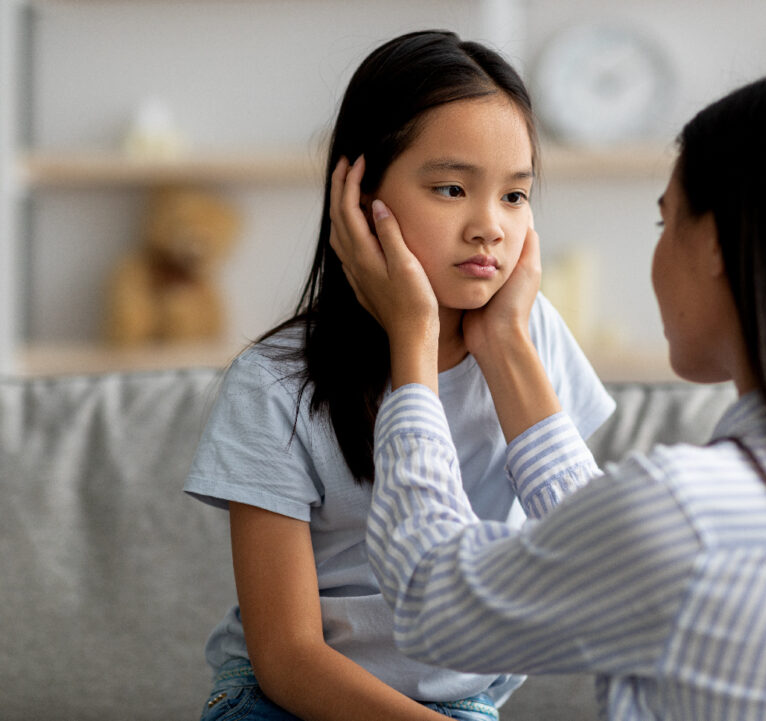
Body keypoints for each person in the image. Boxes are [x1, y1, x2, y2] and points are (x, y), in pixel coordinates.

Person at [333, 72, 766, 720]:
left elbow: (432, 599)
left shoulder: (686, 512)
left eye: (666, 223)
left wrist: (413, 342)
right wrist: (508, 343)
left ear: (717, 241)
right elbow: (619, 552)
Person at [183, 30, 615, 721]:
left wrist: (505, 343)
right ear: (357, 193)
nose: (490, 227)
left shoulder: (539, 345)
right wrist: (411, 334)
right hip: (287, 701)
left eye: (514, 196)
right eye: (452, 188)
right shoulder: (274, 384)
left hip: (458, 701)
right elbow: (288, 656)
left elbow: (602, 568)